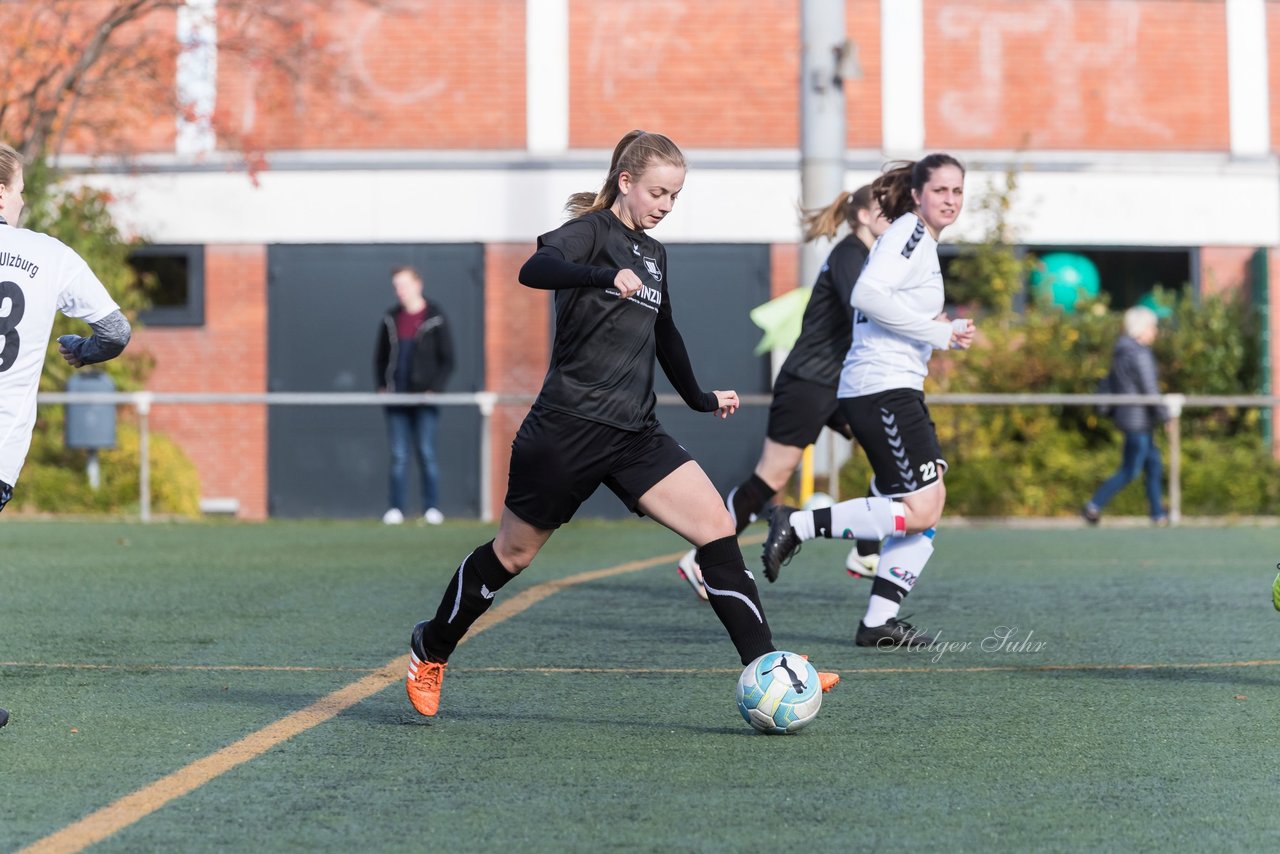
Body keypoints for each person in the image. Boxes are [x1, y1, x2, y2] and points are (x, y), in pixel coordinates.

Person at [404, 130, 837, 718]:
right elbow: (536, 269)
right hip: (566, 428)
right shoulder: (592, 232)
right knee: (512, 555)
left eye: (675, 196)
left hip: (635, 433)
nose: (664, 205)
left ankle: (771, 670)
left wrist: (701, 397)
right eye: (657, 192)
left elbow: (666, 335)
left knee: (716, 527)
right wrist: (599, 276)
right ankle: (432, 646)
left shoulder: (655, 255)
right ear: (626, 182)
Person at [759, 154, 974, 650]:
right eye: (940, 190)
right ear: (918, 194)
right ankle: (797, 523)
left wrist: (936, 328)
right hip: (880, 388)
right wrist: (937, 333)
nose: (949, 200)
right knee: (919, 509)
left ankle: (879, 621)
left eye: (957, 191)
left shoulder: (916, 240)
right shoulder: (910, 233)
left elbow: (888, 301)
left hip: (895, 387)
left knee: (930, 503)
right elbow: (868, 297)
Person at [675, 186, 891, 602]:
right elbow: (861, 310)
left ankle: (866, 552)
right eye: (885, 208)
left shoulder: (867, 257)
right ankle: (702, 558)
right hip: (809, 383)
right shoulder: (850, 254)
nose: (893, 215)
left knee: (890, 455)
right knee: (769, 479)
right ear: (863, 215)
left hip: (841, 384)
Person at [0, 142, 133, 728]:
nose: (25, 197)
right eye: (20, 187)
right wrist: (84, 351)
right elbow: (116, 329)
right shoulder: (48, 255)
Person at [374, 265, 454, 525]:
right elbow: (380, 358)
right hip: (397, 399)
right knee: (398, 455)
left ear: (418, 284)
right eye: (396, 286)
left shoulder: (436, 316)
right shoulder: (390, 318)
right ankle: (396, 508)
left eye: (404, 284)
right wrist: (382, 386)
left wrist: (435, 389)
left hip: (424, 399)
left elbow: (448, 359)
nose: (400, 291)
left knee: (426, 452)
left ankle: (431, 508)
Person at [1083, 305, 1168, 526]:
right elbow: (1150, 389)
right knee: (1130, 470)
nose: (1155, 332)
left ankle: (1158, 513)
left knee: (1153, 465)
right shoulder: (1139, 353)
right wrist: (1165, 416)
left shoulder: (1121, 351)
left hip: (1132, 418)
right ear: (1141, 328)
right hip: (1138, 420)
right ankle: (1094, 505)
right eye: (1152, 327)